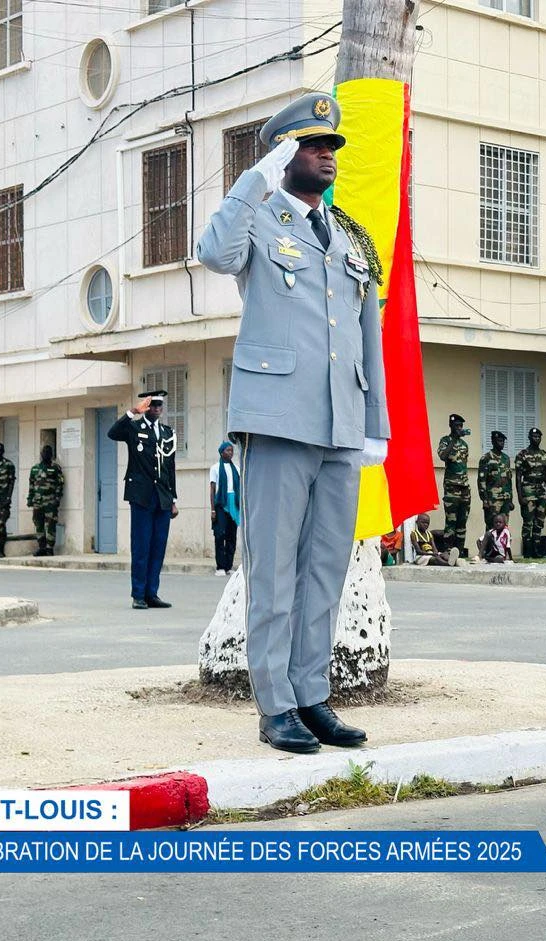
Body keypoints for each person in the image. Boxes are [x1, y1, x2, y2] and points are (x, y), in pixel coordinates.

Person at [197, 92, 388, 755]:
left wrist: (377, 426)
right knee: (273, 570)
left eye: (331, 147)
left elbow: (370, 337)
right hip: (278, 421)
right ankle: (273, 703)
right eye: (312, 146)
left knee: (325, 570)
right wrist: (255, 178)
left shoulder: (350, 237)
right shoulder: (256, 220)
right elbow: (213, 252)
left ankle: (311, 698)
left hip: (341, 423)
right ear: (283, 154)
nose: (327, 156)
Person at [108, 391, 179, 608]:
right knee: (142, 546)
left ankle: (152, 594)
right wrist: (133, 412)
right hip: (141, 497)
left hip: (163, 498)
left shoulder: (168, 433)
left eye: (159, 405)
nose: (157, 409)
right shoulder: (134, 428)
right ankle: (138, 594)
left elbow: (170, 468)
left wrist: (174, 499)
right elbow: (112, 432)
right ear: (146, 407)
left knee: (158, 547)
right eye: (153, 405)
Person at [514, 427, 546, 559]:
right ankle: (527, 550)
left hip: (541, 491)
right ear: (529, 438)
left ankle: (536, 550)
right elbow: (518, 477)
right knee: (528, 522)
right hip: (528, 490)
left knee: (539, 521)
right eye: (534, 437)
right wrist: (520, 496)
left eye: (538, 437)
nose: (536, 439)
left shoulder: (545, 455)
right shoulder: (522, 454)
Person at [436, 414, 472, 557]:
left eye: (460, 426)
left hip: (464, 487)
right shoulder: (445, 441)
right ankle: (449, 551)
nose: (459, 428)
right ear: (451, 426)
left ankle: (460, 551)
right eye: (456, 426)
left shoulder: (464, 445)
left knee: (462, 521)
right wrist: (454, 439)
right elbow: (443, 456)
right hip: (452, 487)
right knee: (451, 520)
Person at [209, 440, 241, 576]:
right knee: (220, 534)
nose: (230, 453)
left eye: (232, 450)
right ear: (222, 453)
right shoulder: (215, 468)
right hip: (221, 504)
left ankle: (228, 566)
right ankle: (220, 567)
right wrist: (212, 509)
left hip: (234, 503)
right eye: (228, 450)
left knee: (231, 536)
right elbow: (212, 489)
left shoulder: (237, 468)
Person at [27, 445, 65, 557]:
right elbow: (31, 485)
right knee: (38, 524)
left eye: (47, 452)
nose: (45, 454)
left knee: (51, 525)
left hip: (50, 502)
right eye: (43, 452)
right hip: (38, 503)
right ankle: (42, 547)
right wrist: (30, 499)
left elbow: (60, 484)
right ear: (41, 454)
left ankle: (49, 548)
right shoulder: (35, 469)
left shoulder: (55, 468)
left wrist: (57, 498)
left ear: (51, 455)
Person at [477, 430, 514, 542]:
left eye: (502, 441)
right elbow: (481, 480)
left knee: (504, 527)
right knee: (491, 526)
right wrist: (484, 499)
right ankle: (488, 551)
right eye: (498, 440)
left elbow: (509, 480)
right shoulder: (486, 458)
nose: (501, 443)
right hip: (492, 500)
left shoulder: (506, 458)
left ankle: (501, 551)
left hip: (505, 499)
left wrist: (511, 499)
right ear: (493, 441)